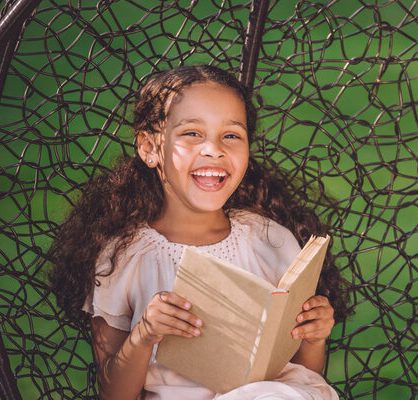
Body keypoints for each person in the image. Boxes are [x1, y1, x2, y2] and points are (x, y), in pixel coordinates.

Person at [48, 65, 349, 400]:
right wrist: (144, 334)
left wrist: (314, 337)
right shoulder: (125, 257)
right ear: (149, 147)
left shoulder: (270, 240)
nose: (214, 150)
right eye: (192, 133)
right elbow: (114, 394)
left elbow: (304, 374)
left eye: (231, 135)